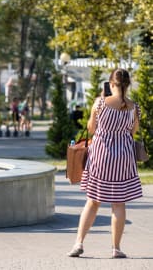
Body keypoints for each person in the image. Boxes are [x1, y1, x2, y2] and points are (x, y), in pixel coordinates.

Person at [67, 68, 143, 259]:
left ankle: (78, 243)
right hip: (124, 158)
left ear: (111, 84)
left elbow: (91, 128)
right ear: (128, 85)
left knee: (93, 201)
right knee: (118, 203)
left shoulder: (100, 103)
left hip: (101, 156)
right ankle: (116, 248)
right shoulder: (134, 107)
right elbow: (133, 131)